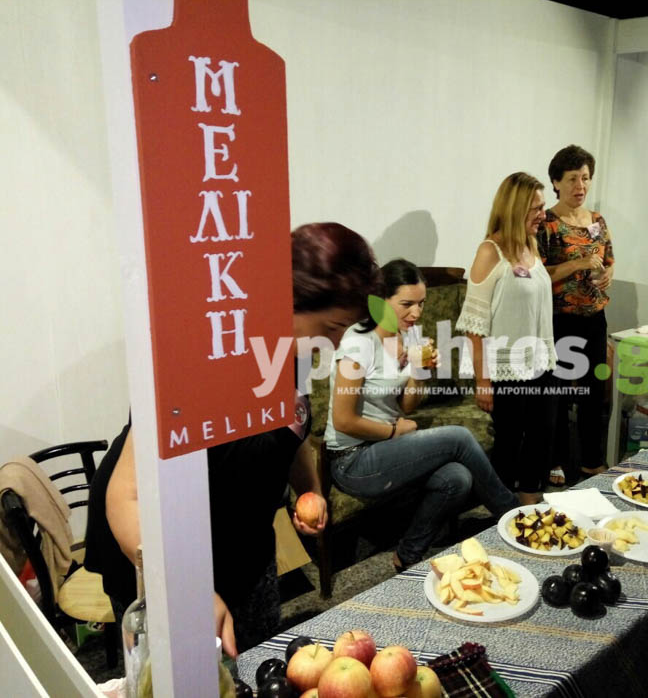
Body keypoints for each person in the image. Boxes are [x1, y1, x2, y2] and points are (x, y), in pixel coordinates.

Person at [85, 223, 381, 657]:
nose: (335, 345)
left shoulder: (294, 352)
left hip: (243, 538)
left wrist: (311, 490)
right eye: (332, 327)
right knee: (188, 669)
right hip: (166, 544)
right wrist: (186, 588)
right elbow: (126, 496)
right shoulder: (200, 359)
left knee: (257, 657)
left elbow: (291, 431)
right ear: (283, 302)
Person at [324, 259, 518, 572]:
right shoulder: (358, 343)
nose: (416, 313)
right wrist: (393, 432)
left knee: (457, 478)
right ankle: (513, 516)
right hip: (353, 460)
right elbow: (343, 421)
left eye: (421, 303)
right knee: (459, 437)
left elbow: (406, 407)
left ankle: (408, 554)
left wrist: (419, 371)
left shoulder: (410, 336)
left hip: (387, 448)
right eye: (406, 304)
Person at [457, 172, 558, 505]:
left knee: (541, 437)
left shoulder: (531, 245)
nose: (543, 214)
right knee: (510, 443)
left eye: (543, 207)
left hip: (540, 363)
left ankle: (529, 503)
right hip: (506, 370)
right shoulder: (491, 251)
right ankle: (499, 511)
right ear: (515, 208)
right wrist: (482, 381)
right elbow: (475, 324)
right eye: (536, 208)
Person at [537, 144, 614, 485]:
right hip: (559, 318)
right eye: (571, 179)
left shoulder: (597, 221)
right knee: (555, 394)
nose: (580, 186)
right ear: (556, 182)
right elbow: (539, 274)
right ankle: (553, 460)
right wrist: (578, 263)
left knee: (594, 391)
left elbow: (609, 258)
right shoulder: (546, 223)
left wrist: (608, 274)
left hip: (594, 317)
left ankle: (592, 461)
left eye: (585, 178)